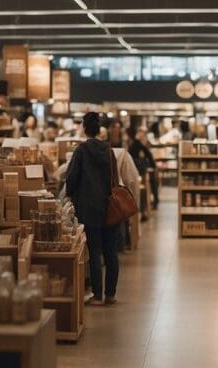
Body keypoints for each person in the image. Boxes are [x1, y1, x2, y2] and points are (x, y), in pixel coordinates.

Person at [65, 112, 119, 306]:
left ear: (84, 128)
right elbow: (115, 178)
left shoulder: (81, 150)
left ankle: (97, 295)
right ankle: (111, 294)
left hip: (88, 207)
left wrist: (69, 194)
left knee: (94, 251)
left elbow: (71, 178)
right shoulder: (108, 150)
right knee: (111, 252)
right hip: (110, 207)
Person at [128, 127, 158, 211]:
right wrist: (153, 166)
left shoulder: (139, 144)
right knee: (148, 185)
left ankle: (149, 204)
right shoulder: (138, 144)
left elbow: (148, 155)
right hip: (140, 171)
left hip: (139, 170)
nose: (143, 136)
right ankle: (149, 205)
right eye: (142, 134)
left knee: (149, 184)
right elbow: (148, 155)